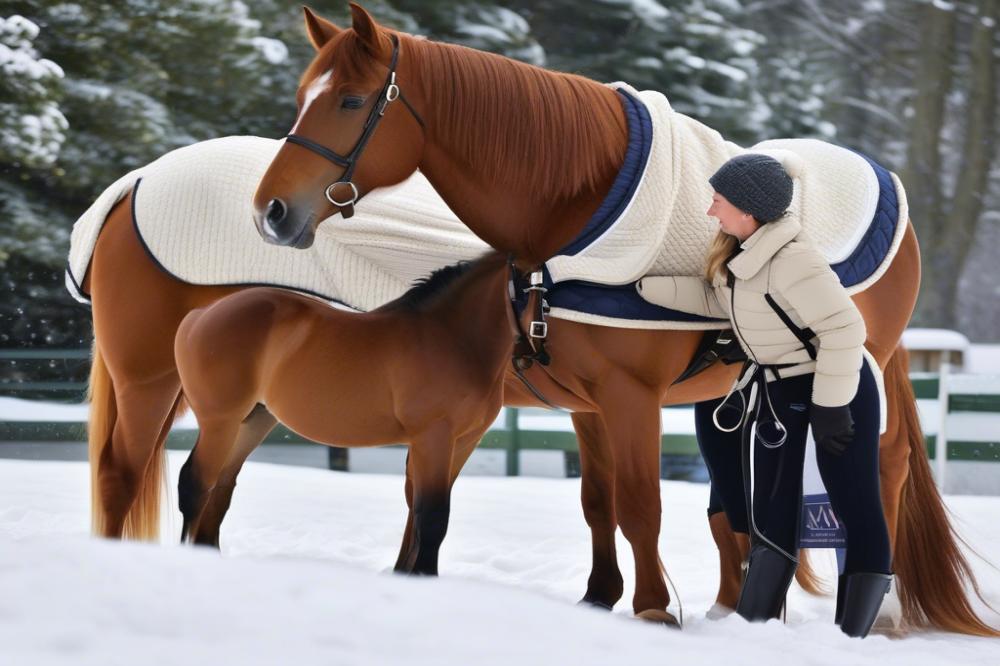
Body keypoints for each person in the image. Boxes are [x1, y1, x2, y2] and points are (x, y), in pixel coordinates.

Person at [637, 154, 892, 638]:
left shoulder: (794, 259)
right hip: (780, 388)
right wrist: (641, 290)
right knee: (770, 506)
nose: (712, 210)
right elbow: (721, 300)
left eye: (719, 201)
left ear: (748, 209)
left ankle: (849, 639)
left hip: (839, 388)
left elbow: (845, 328)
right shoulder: (744, 254)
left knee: (853, 501)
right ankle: (754, 631)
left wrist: (832, 406)